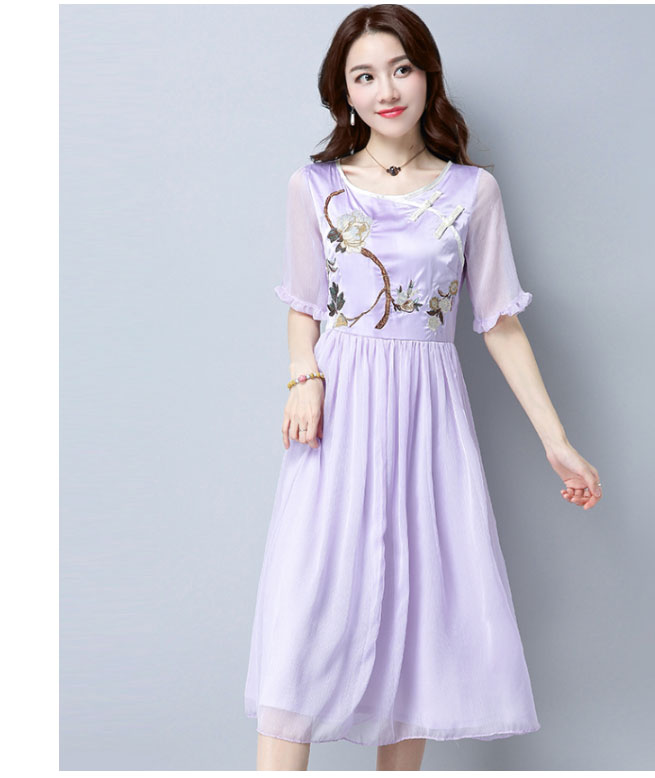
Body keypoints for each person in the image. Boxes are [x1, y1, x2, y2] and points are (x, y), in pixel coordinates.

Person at [244, 5, 602, 771]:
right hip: (337, 417)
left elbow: (499, 323)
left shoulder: (472, 193)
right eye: (364, 76)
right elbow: (303, 303)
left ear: (427, 76)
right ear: (343, 91)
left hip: (427, 421)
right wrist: (304, 377)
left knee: (412, 619)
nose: (386, 90)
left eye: (400, 69)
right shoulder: (316, 187)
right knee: (308, 612)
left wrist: (557, 441)